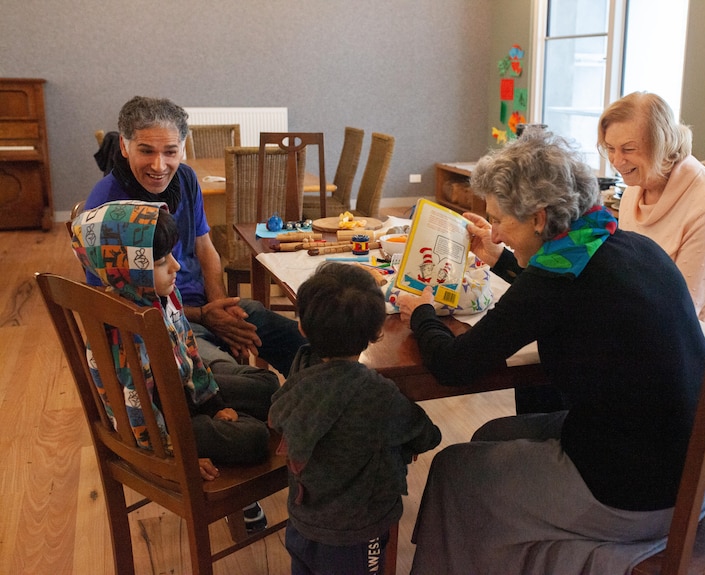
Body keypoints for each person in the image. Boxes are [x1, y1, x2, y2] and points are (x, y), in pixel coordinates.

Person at [396, 128, 705, 574]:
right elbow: (551, 297)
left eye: (499, 220)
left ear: (538, 217)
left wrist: (422, 315)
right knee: (492, 435)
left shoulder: (554, 279)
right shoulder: (621, 245)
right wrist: (504, 261)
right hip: (697, 470)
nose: (494, 231)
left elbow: (456, 365)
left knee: (454, 468)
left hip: (642, 494)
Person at [70, 201, 279, 532]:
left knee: (266, 385)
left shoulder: (160, 295)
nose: (176, 267)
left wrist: (214, 404)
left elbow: (191, 353)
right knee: (254, 438)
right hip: (160, 427)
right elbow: (134, 409)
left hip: (181, 393)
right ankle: (249, 438)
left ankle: (239, 424)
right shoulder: (122, 327)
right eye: (161, 261)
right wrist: (172, 460)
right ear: (127, 268)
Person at [84, 96, 305, 375]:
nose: (159, 165)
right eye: (147, 151)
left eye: (170, 152)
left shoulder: (186, 180)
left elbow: (205, 249)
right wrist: (204, 317)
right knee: (256, 385)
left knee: (305, 347)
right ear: (124, 147)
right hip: (155, 327)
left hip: (203, 310)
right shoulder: (108, 208)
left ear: (182, 150)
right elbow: (114, 303)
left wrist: (218, 310)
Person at [269, 262, 441, 575]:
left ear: (302, 328)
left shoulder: (300, 368)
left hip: (303, 519)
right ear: (377, 332)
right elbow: (427, 434)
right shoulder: (380, 396)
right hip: (357, 533)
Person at [598, 91, 705, 328]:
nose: (617, 161)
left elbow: (685, 308)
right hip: (641, 321)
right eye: (610, 148)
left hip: (693, 338)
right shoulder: (633, 191)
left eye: (628, 149)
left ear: (661, 145)